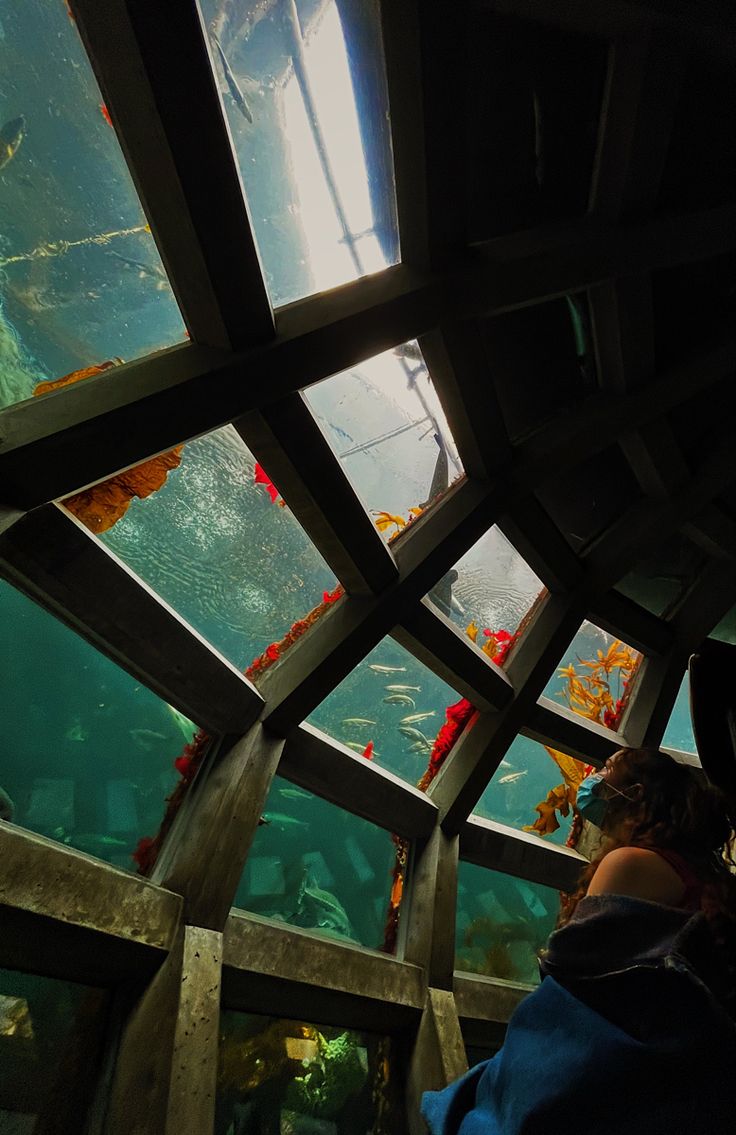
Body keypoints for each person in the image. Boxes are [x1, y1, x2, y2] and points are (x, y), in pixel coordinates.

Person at [422, 747, 736, 1135]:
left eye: (606, 769)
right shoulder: (699, 873)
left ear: (634, 794)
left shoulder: (630, 862)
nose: (592, 777)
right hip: (686, 1083)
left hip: (602, 1074)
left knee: (462, 1107)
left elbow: (574, 980)